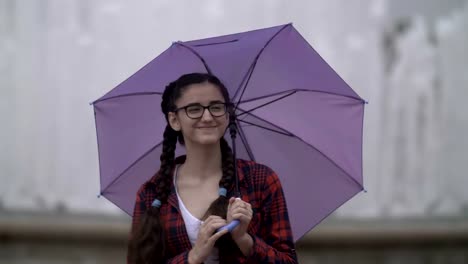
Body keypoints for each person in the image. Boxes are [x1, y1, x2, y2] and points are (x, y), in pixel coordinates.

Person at [127, 73, 297, 264]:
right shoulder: (151, 193)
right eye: (194, 109)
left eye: (216, 107)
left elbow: (289, 260)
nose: (207, 117)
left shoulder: (260, 180)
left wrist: (244, 239)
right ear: (174, 120)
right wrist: (193, 257)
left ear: (227, 115)